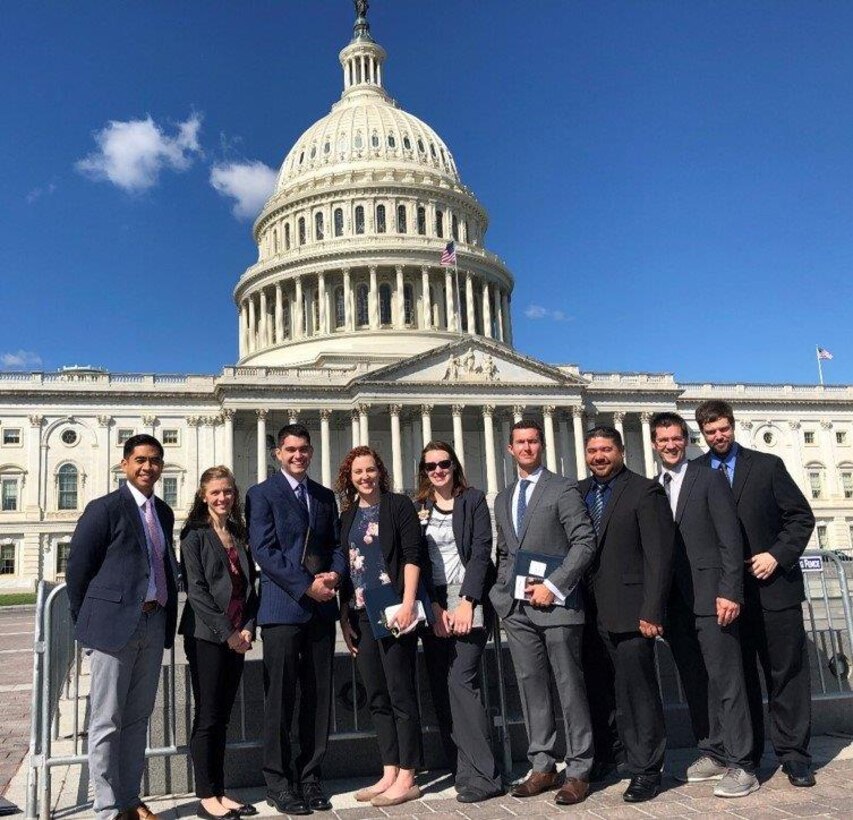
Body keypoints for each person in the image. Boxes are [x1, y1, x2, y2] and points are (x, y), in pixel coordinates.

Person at [694, 400, 816, 787]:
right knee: (739, 680)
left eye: (723, 428)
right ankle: (747, 758)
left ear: (733, 426)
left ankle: (794, 755)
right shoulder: (695, 473)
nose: (718, 436)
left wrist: (777, 556)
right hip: (724, 596)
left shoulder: (766, 466)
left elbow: (801, 517)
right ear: (703, 433)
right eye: (711, 431)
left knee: (786, 675)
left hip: (773, 589)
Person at [65, 434, 179, 820]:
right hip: (114, 629)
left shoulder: (163, 512)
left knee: (137, 719)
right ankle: (107, 807)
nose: (148, 467)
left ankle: (130, 799)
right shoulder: (104, 508)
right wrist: (87, 624)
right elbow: (78, 569)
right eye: (141, 460)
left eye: (155, 460)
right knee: (106, 720)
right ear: (125, 464)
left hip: (154, 620)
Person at [490, 419, 597, 806]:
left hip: (558, 605)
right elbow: (506, 551)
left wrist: (553, 586)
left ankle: (580, 768)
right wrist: (502, 593)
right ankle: (543, 764)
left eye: (533, 441)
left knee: (569, 687)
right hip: (517, 608)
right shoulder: (503, 498)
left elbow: (584, 541)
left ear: (541, 446)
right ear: (510, 448)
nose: (527, 448)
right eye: (520, 442)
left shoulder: (563, 487)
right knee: (530, 686)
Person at [649, 412, 757, 798]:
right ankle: (712, 750)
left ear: (685, 439)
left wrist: (731, 590)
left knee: (728, 681)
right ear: (654, 443)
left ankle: (743, 763)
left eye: (676, 438)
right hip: (677, 604)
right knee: (696, 682)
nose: (670, 445)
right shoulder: (653, 487)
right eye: (663, 440)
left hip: (714, 596)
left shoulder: (708, 477)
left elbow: (731, 538)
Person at [245, 424, 346, 816]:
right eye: (290, 450)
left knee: (318, 697)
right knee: (281, 698)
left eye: (304, 449)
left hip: (321, 608)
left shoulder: (323, 496)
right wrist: (307, 586)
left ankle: (310, 777)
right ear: (278, 454)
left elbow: (336, 544)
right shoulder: (261, 494)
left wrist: (335, 575)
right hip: (283, 607)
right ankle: (279, 781)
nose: (298, 455)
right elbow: (265, 550)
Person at [579, 426, 674, 803]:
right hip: (588, 611)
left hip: (633, 611)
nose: (598, 456)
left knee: (638, 692)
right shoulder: (581, 492)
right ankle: (609, 755)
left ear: (621, 451)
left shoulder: (644, 490)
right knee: (599, 690)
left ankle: (647, 769)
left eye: (605, 449)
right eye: (592, 450)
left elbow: (659, 556)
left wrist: (652, 609)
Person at [415, 440, 503, 804]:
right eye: (431, 466)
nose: (438, 470)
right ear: (424, 471)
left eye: (444, 464)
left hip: (468, 598)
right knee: (441, 685)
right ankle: (461, 769)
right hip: (434, 603)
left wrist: (468, 600)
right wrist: (433, 606)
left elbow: (482, 551)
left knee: (461, 681)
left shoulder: (474, 500)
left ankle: (486, 774)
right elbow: (414, 560)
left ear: (455, 466)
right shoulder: (418, 507)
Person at [337, 446, 425, 808]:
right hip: (362, 609)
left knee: (400, 691)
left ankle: (409, 773)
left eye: (370, 470)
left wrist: (407, 603)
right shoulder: (348, 515)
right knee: (377, 695)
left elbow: (411, 555)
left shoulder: (398, 506)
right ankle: (389, 769)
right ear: (350, 478)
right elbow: (347, 567)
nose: (365, 477)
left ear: (380, 472)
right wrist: (345, 619)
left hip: (393, 607)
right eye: (358, 472)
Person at [178, 466, 259, 819]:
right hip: (207, 636)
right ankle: (206, 794)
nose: (222, 498)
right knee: (208, 715)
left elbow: (249, 589)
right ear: (203, 495)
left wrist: (248, 629)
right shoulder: (193, 535)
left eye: (227, 491)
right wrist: (227, 632)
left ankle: (221, 790)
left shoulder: (239, 533)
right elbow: (196, 590)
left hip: (237, 635)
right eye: (215, 492)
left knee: (222, 717)